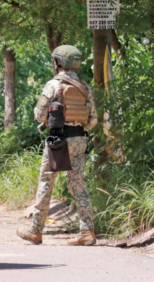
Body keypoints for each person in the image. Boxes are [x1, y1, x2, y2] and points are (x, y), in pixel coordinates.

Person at [17, 45, 98, 246]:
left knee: (46, 180)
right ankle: (87, 231)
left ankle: (35, 231)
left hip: (58, 141)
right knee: (78, 182)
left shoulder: (53, 85)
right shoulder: (85, 87)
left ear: (59, 62)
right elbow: (93, 120)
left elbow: (38, 114)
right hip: (80, 139)